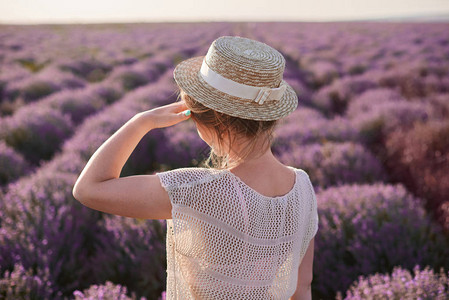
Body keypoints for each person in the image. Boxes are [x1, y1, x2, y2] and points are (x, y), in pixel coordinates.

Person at [73, 36, 319, 300]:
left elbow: (88, 189)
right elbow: (302, 286)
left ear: (213, 121)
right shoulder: (302, 187)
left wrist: (139, 122)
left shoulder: (197, 190)